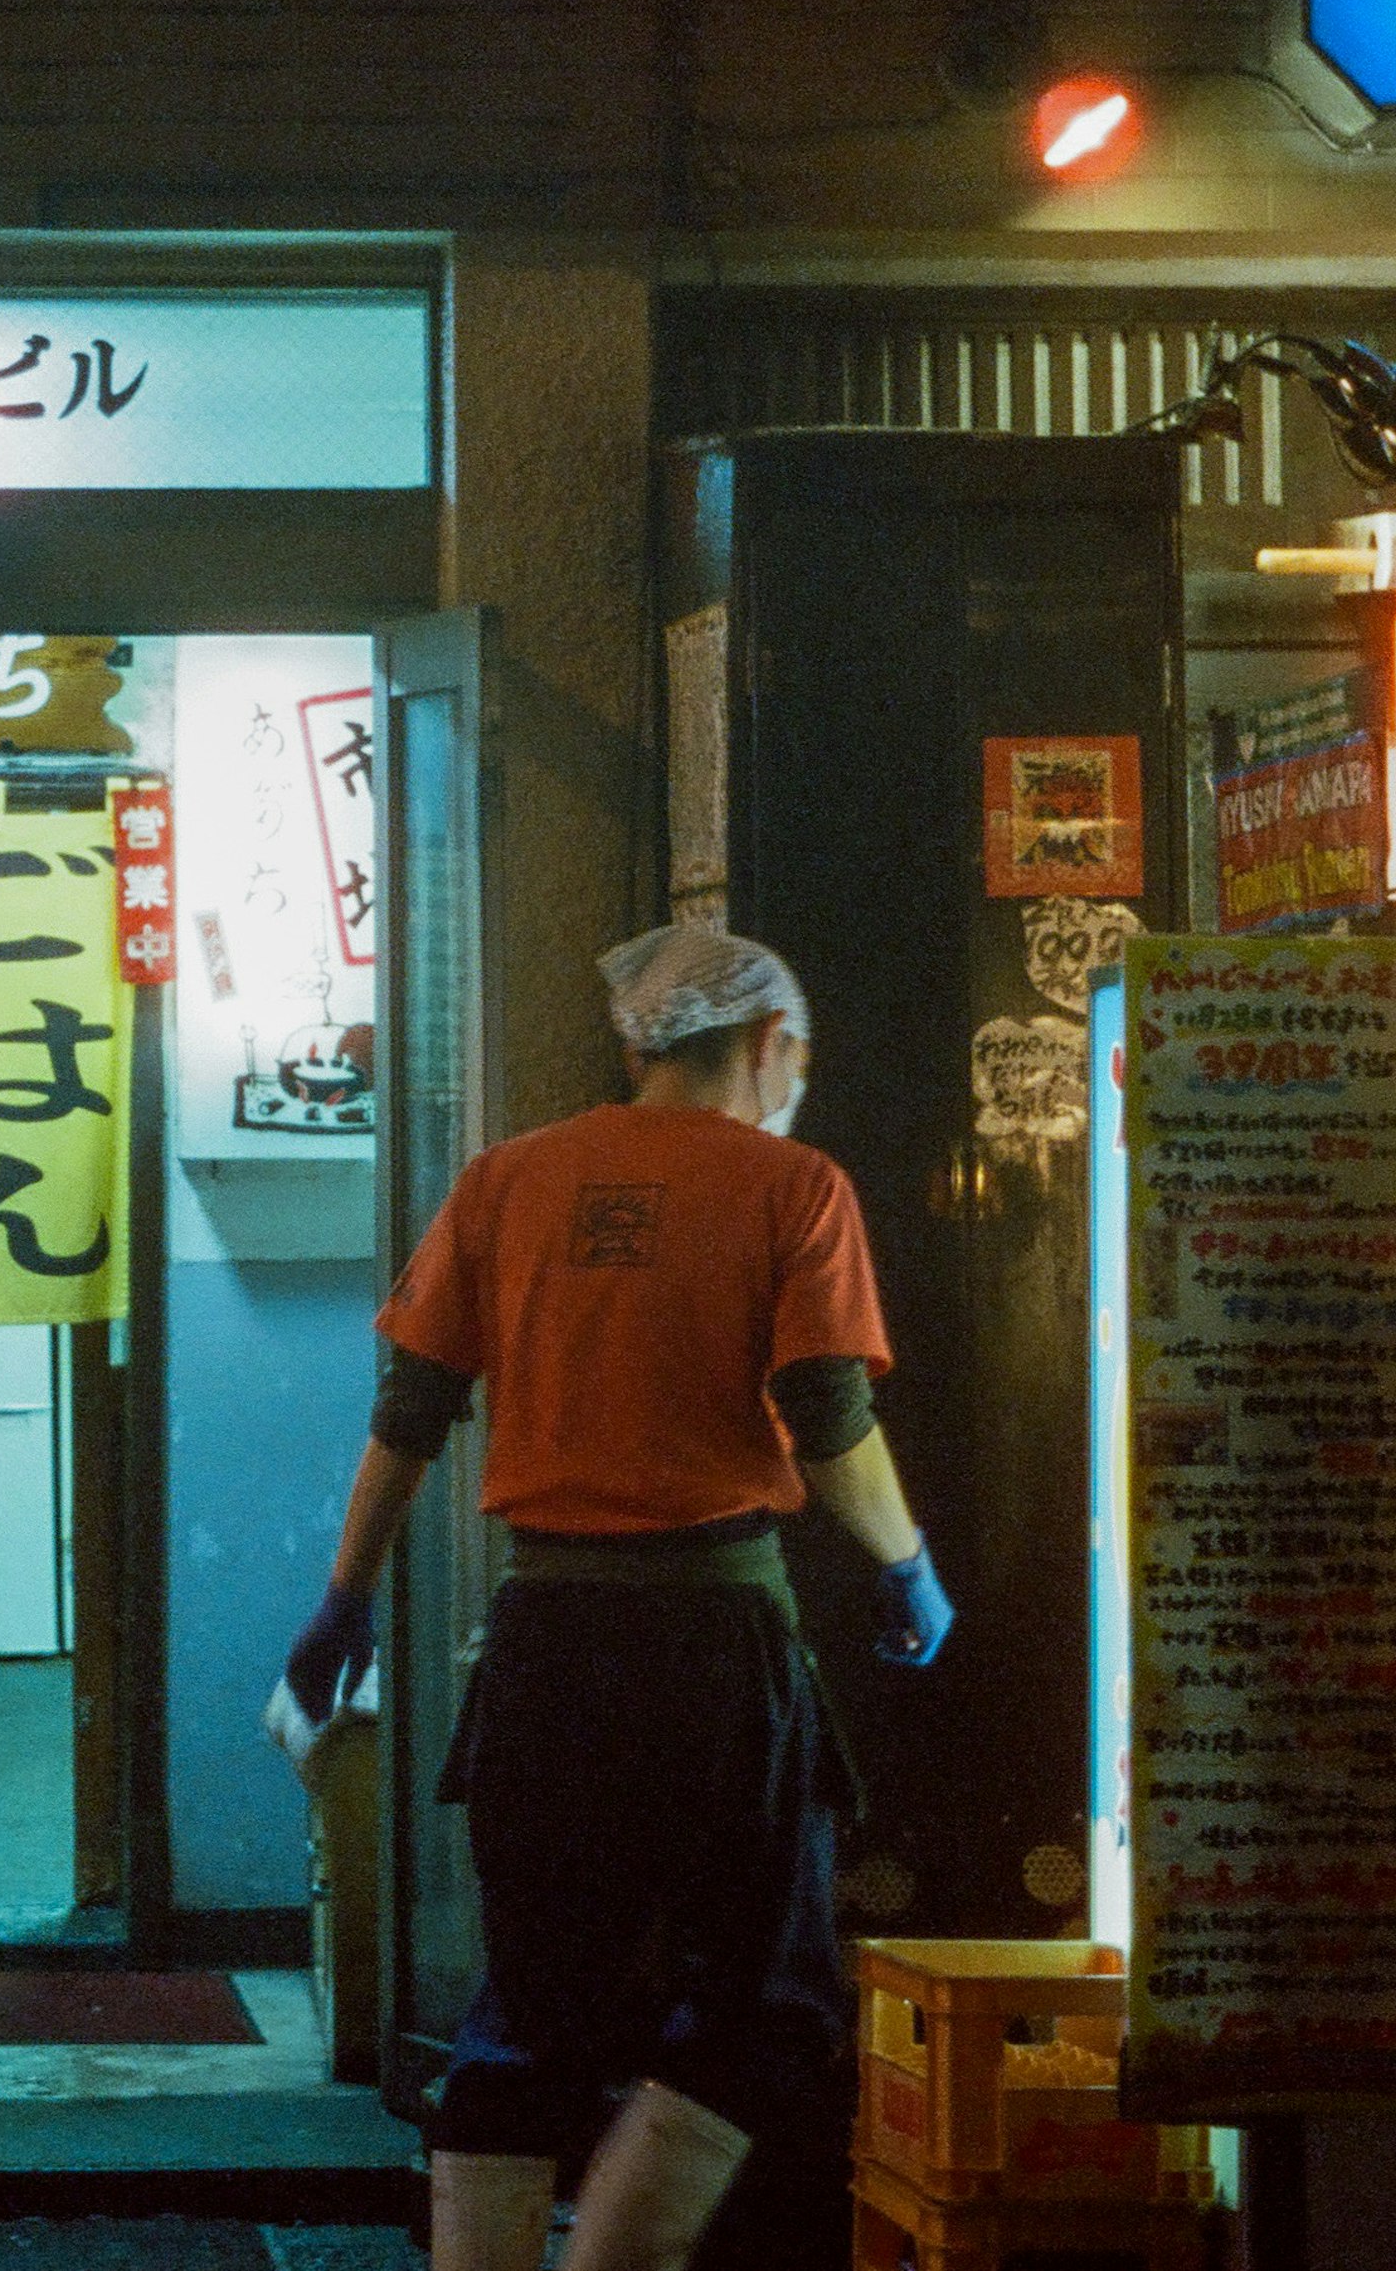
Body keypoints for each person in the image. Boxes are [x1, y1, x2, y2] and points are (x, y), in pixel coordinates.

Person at [280, 921, 952, 2271]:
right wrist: (908, 1565)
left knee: (530, 2003)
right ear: (770, 1045)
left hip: (546, 1640)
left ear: (636, 1042)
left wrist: (342, 1596)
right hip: (720, 1643)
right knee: (769, 2003)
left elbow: (409, 1411)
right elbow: (827, 1415)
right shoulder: (796, 1185)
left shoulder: (504, 1181)